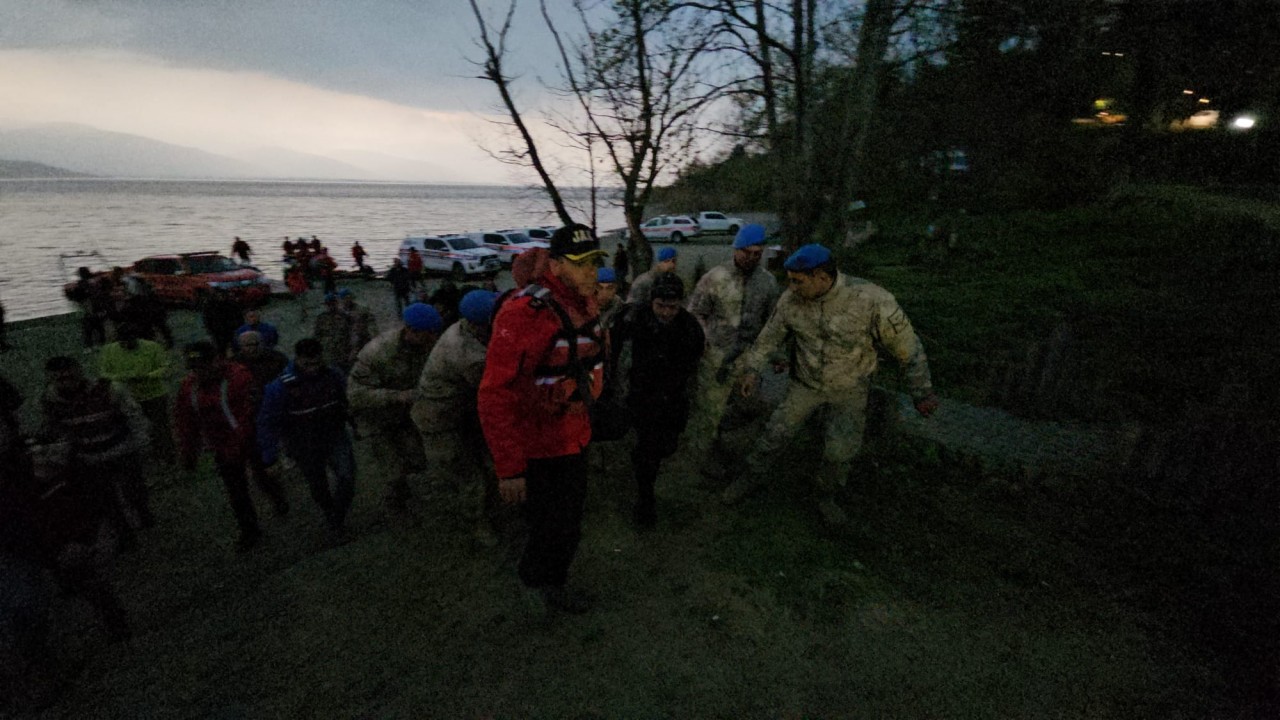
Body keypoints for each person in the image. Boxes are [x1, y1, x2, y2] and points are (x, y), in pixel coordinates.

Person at [721, 244, 940, 526]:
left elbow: (908, 349)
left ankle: (826, 495)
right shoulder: (791, 301)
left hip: (850, 389)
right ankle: (750, 477)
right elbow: (768, 340)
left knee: (839, 451)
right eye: (790, 280)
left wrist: (922, 392)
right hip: (806, 385)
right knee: (774, 433)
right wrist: (751, 371)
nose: (791, 287)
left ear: (822, 278)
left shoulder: (871, 300)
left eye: (798, 281)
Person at [478, 222, 607, 614]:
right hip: (540, 446)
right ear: (556, 264)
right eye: (581, 264)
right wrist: (510, 468)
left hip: (574, 435)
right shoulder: (525, 315)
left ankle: (551, 580)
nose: (592, 272)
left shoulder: (584, 302)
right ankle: (538, 585)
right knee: (552, 526)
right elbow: (495, 394)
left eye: (595, 262)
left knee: (567, 523)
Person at [685, 223, 781, 475]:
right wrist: (702, 339)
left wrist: (776, 354)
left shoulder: (768, 283)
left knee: (749, 406)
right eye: (746, 252)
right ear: (736, 249)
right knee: (709, 409)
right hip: (716, 354)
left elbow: (773, 323)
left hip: (749, 356)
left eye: (757, 253)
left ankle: (721, 434)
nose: (751, 257)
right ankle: (704, 454)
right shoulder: (715, 278)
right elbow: (695, 313)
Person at [610, 273, 704, 528]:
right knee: (647, 452)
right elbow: (616, 354)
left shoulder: (690, 328)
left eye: (672, 307)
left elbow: (693, 366)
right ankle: (645, 500)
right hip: (643, 396)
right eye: (660, 306)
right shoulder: (633, 320)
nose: (665, 312)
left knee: (667, 446)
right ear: (651, 302)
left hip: (672, 397)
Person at [176, 342, 289, 552]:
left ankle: (277, 497)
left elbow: (248, 415)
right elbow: (186, 422)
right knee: (236, 492)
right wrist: (188, 452)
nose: (200, 372)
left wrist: (237, 444)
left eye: (203, 365)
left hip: (250, 438)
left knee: (262, 475)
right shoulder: (189, 388)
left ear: (216, 360)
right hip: (222, 445)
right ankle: (249, 530)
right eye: (195, 368)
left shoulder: (239, 377)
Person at [412, 290, 499, 546]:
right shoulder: (467, 353)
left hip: (463, 411)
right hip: (442, 421)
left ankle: (491, 511)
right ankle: (478, 524)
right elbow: (494, 390)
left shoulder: (466, 328)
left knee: (487, 466)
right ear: (480, 324)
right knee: (469, 476)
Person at [39, 355, 153, 551]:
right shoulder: (50, 401)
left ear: (79, 372)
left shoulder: (108, 389)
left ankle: (142, 511)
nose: (67, 382)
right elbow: (55, 429)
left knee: (134, 490)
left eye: (70, 376)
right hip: (89, 458)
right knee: (106, 501)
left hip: (121, 449)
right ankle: (125, 536)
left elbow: (133, 415)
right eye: (60, 379)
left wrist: (142, 442)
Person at [347, 303, 442, 514]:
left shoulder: (425, 346)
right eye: (428, 336)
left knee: (419, 459)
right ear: (412, 331)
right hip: (376, 418)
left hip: (405, 416)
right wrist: (398, 396)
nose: (432, 341)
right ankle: (396, 502)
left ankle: (402, 483)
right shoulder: (378, 352)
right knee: (393, 470)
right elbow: (355, 395)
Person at [258, 338, 356, 539]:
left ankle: (337, 515)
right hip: (303, 442)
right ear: (298, 359)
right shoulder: (280, 388)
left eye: (316, 363)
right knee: (317, 483)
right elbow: (267, 422)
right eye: (307, 364)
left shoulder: (334, 375)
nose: (312, 369)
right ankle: (330, 513)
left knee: (347, 475)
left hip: (333, 434)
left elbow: (349, 399)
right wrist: (269, 457)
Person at [96, 322, 174, 464]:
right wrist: (123, 377)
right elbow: (104, 373)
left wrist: (148, 376)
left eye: (129, 342)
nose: (126, 345)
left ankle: (167, 455)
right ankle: (145, 456)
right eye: (123, 343)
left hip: (154, 394)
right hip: (127, 397)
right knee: (134, 428)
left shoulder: (152, 347)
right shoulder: (109, 350)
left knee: (160, 427)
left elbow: (164, 367)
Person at [313, 292, 354, 373]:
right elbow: (317, 335)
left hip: (343, 353)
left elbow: (352, 334)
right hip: (327, 354)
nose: (331, 306)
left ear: (336, 303)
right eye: (328, 304)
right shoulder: (321, 318)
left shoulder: (345, 317)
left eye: (333, 303)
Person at [71, 267, 110, 351]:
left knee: (88, 330)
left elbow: (76, 297)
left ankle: (89, 347)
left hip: (88, 311)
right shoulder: (96, 282)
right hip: (100, 310)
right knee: (100, 328)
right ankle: (102, 345)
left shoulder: (80, 284)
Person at [201, 288, 243, 357]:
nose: (220, 297)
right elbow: (207, 319)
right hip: (217, 332)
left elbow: (239, 317)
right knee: (220, 349)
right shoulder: (209, 305)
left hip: (230, 330)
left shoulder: (231, 304)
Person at [339, 288, 379, 357]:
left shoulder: (362, 309)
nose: (347, 300)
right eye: (344, 298)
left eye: (348, 297)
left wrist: (375, 337)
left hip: (362, 339)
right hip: (347, 341)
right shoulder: (340, 312)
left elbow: (371, 323)